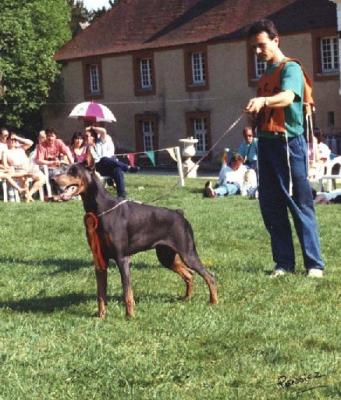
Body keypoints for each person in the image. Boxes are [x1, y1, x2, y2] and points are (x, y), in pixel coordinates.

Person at [245, 19, 324, 278]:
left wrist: (264, 100)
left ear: (276, 40)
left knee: (298, 202)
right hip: (266, 144)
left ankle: (314, 264)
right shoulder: (265, 75)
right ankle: (284, 263)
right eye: (254, 48)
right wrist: (251, 122)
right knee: (270, 204)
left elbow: (288, 97)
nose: (257, 52)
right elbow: (264, 107)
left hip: (288, 145)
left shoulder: (291, 69)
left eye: (261, 46)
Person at [86, 126, 139, 198]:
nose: (85, 138)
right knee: (104, 159)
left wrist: (92, 128)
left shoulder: (101, 142)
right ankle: (127, 167)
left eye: (87, 136)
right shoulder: (88, 148)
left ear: (93, 137)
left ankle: (121, 195)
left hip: (108, 165)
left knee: (117, 169)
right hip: (97, 168)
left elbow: (103, 131)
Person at [4, 132, 45, 201]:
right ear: (7, 141)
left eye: (14, 140)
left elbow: (31, 143)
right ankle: (26, 197)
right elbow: (6, 165)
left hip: (29, 169)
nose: (13, 141)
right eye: (10, 140)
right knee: (24, 180)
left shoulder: (21, 148)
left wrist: (17, 137)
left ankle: (28, 194)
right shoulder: (6, 152)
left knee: (42, 178)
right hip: (18, 171)